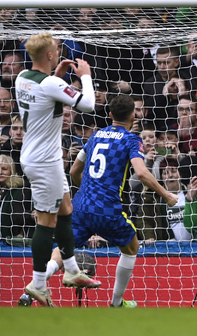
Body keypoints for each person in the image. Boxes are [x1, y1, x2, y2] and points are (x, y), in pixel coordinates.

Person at [65, 95, 178, 307]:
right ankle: (116, 303)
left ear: (110, 115)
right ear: (133, 115)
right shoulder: (131, 139)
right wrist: (167, 194)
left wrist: (90, 190)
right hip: (108, 208)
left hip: (82, 204)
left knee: (64, 247)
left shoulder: (95, 135)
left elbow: (73, 171)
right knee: (131, 247)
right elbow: (142, 173)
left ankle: (37, 284)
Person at [15, 31, 99, 307]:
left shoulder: (23, 78)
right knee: (46, 222)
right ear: (50, 55)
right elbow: (87, 105)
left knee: (65, 210)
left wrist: (60, 77)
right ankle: (38, 284)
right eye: (57, 48)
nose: (59, 51)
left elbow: (47, 94)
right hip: (44, 161)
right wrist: (84, 75)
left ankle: (72, 270)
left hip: (36, 155)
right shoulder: (49, 83)